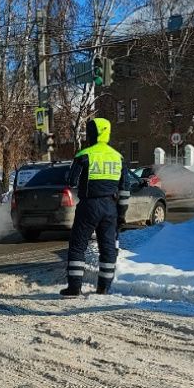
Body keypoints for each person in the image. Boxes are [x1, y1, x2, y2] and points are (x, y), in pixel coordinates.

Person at [61, 117, 130, 298]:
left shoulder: (84, 155)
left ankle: (74, 288)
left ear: (91, 133)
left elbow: (71, 181)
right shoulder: (119, 157)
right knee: (107, 249)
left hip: (89, 205)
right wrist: (121, 214)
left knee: (78, 246)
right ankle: (103, 288)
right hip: (110, 207)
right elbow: (125, 190)